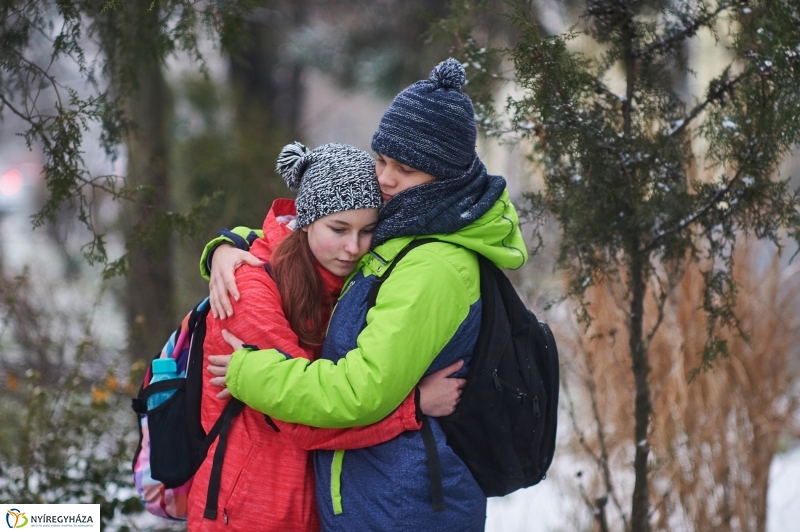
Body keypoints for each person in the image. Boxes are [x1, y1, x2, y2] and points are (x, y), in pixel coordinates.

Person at [205, 58, 528, 531]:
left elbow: (359, 393)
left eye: (407, 169)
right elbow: (311, 231)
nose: (386, 180)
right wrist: (228, 245)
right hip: (374, 498)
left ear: (446, 176)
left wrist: (248, 371)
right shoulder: (404, 230)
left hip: (405, 506)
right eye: (381, 161)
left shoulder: (433, 263)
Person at [187, 142, 465, 531]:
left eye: (368, 230)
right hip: (248, 511)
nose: (353, 247)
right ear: (305, 221)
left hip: (314, 508)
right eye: (338, 229)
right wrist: (413, 406)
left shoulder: (348, 284)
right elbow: (302, 419)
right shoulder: (246, 289)